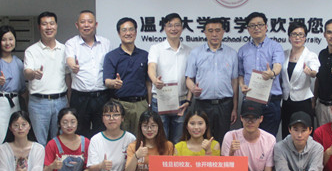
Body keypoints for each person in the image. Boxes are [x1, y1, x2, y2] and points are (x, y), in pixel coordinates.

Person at [185, 18, 240, 144]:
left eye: (217, 30)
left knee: (223, 140)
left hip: (225, 104)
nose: (214, 34)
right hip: (202, 104)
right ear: (205, 32)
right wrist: (193, 88)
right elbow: (189, 79)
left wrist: (235, 107)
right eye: (210, 31)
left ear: (223, 32)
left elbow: (234, 82)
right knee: (202, 140)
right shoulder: (195, 53)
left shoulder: (232, 53)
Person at [24, 11, 70, 146]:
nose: (49, 27)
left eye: (51, 23)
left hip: (61, 101)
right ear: (39, 27)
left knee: (60, 141)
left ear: (56, 26)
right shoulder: (31, 50)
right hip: (38, 103)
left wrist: (69, 100)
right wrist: (34, 74)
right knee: (39, 143)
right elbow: (27, 72)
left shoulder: (65, 49)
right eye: (44, 24)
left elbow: (68, 77)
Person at [238, 12, 285, 137]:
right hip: (251, 99)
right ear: (248, 29)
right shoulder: (243, 50)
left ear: (266, 27)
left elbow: (278, 65)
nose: (256, 28)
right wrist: (242, 85)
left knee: (269, 138)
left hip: (271, 101)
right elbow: (240, 74)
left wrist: (272, 73)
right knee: (248, 137)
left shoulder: (275, 47)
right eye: (252, 26)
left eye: (260, 24)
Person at [65, 10, 111, 137]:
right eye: (83, 22)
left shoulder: (105, 43)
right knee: (79, 131)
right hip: (80, 97)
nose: (86, 25)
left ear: (96, 24)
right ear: (77, 25)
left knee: (102, 131)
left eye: (90, 22)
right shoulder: (71, 43)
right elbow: (69, 59)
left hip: (102, 96)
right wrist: (72, 65)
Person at [148, 13, 191, 143]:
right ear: (164, 28)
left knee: (179, 140)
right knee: (161, 139)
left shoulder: (189, 51)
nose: (173, 28)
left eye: (177, 25)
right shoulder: (156, 48)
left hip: (181, 101)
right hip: (161, 99)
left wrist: (188, 100)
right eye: (170, 25)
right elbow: (151, 67)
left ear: (182, 28)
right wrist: (155, 80)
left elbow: (191, 77)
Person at [103, 17, 150, 137]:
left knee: (140, 138)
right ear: (119, 33)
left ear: (136, 32)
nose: (128, 33)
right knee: (119, 137)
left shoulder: (144, 55)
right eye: (124, 30)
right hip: (119, 104)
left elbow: (148, 83)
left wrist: (149, 104)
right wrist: (113, 83)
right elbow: (106, 80)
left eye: (131, 29)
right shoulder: (111, 56)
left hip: (140, 104)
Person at [0, 25, 25, 146]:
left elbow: (23, 89)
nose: (8, 43)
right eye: (4, 40)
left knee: (16, 138)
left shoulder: (18, 62)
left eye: (11, 39)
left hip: (15, 102)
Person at [281, 21, 320, 131]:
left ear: (305, 37)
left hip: (303, 102)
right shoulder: (284, 54)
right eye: (294, 34)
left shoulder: (310, 55)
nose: (297, 38)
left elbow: (315, 71)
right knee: (287, 132)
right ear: (289, 37)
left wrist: (310, 72)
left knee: (303, 133)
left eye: (301, 34)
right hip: (286, 101)